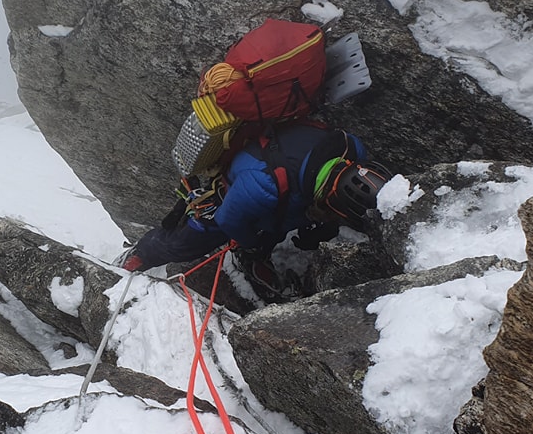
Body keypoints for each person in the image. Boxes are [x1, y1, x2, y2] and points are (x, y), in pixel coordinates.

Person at [120, 121, 390, 302]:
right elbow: (228, 219)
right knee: (190, 242)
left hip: (285, 178)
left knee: (282, 215)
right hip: (238, 189)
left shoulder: (352, 150)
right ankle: (143, 253)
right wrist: (251, 242)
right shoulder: (263, 187)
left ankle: (258, 252)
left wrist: (325, 226)